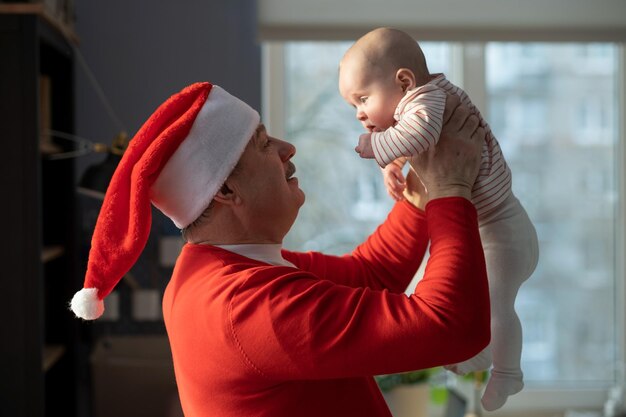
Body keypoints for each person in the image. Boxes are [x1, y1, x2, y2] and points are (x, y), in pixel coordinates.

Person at [70, 82, 490, 417]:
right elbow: (453, 327)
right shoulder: (246, 305)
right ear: (227, 190)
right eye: (263, 144)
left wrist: (421, 195)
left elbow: (372, 275)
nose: (287, 149)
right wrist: (451, 190)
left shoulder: (226, 268)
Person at [338, 27, 540, 411]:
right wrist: (393, 165)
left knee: (497, 306)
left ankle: (507, 373)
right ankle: (483, 352)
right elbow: (415, 137)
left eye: (363, 99)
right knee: (478, 296)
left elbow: (418, 133)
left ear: (403, 81)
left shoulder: (429, 99)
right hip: (491, 230)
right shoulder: (421, 105)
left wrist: (375, 148)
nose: (360, 114)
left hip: (503, 230)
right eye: (353, 106)